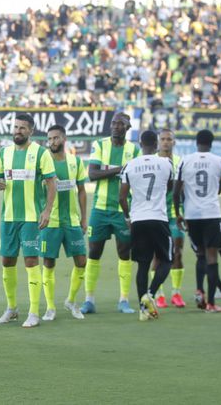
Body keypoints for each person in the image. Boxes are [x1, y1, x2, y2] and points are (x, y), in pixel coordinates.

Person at [0, 113, 57, 328]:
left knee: (31, 261)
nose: (17, 131)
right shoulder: (4, 153)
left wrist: (47, 211)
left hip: (31, 218)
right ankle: (12, 308)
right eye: (15, 127)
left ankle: (33, 312)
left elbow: (51, 183)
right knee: (7, 261)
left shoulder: (41, 153)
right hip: (8, 217)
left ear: (31, 131)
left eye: (22, 128)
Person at [81, 112, 140, 314]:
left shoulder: (134, 150)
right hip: (100, 209)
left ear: (127, 128)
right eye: (114, 123)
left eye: (120, 124)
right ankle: (89, 299)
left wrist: (114, 170)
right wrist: (121, 169)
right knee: (94, 253)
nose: (115, 126)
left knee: (124, 254)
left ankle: (123, 300)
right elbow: (92, 174)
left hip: (123, 211)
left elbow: (137, 178)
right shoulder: (100, 145)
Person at [119, 130, 174, 321]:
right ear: (156, 143)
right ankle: (149, 294)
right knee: (166, 261)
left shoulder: (130, 165)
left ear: (140, 143)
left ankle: (144, 310)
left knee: (143, 265)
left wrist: (128, 217)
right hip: (158, 218)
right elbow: (170, 187)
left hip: (138, 219)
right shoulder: (166, 163)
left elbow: (122, 197)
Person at [173, 130, 221, 312]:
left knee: (200, 255)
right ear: (211, 143)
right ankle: (211, 303)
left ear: (196, 142)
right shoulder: (219, 161)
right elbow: (218, 190)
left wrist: (178, 213)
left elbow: (176, 191)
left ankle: (199, 290)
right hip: (212, 214)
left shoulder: (185, 160)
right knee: (212, 257)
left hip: (192, 215)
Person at [40, 125, 87, 321]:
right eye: (50, 139)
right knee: (48, 262)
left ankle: (71, 300)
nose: (52, 142)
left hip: (72, 221)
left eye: (56, 138)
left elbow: (82, 191)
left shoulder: (75, 162)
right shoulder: (43, 163)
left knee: (82, 261)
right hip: (50, 222)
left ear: (64, 139)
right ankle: (50, 307)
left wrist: (84, 217)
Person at [151, 129, 186, 308]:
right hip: (158, 214)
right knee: (158, 255)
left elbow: (185, 188)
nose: (165, 142)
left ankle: (176, 293)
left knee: (178, 252)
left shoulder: (180, 161)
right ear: (158, 142)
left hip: (176, 215)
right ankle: (159, 294)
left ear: (174, 142)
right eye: (163, 139)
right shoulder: (153, 162)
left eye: (169, 139)